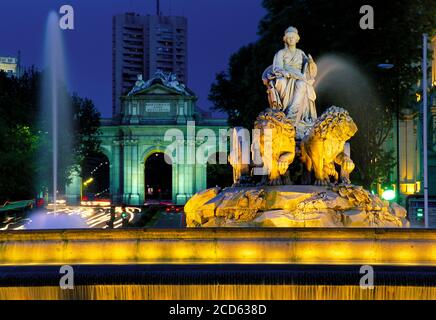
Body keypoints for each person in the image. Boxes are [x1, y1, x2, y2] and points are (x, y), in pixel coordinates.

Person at [262, 26, 317, 126]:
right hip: (285, 76)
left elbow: (310, 71)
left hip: (299, 77)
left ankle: (292, 112)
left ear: (297, 39)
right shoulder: (281, 53)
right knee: (281, 81)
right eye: (289, 37)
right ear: (285, 39)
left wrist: (311, 63)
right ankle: (284, 110)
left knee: (302, 84)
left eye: (293, 37)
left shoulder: (301, 53)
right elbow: (277, 67)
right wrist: (284, 73)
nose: (291, 39)